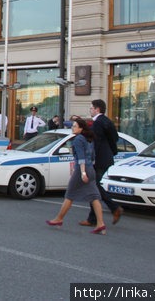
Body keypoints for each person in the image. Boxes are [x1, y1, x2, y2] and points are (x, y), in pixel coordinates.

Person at [46, 118, 107, 234]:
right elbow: (93, 157)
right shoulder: (89, 139)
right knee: (94, 197)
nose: (72, 128)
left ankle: (59, 219)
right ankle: (100, 224)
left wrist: (83, 172)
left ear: (81, 128)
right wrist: (89, 170)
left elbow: (81, 157)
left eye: (75, 126)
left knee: (69, 194)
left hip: (81, 170)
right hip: (91, 169)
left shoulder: (78, 139)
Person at [80, 99, 123, 227]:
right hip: (106, 158)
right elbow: (115, 138)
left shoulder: (97, 123)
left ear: (97, 109)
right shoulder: (107, 121)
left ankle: (114, 207)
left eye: (91, 108)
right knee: (94, 186)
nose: (90, 110)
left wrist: (90, 159)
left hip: (98, 159)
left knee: (94, 187)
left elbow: (95, 143)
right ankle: (92, 218)